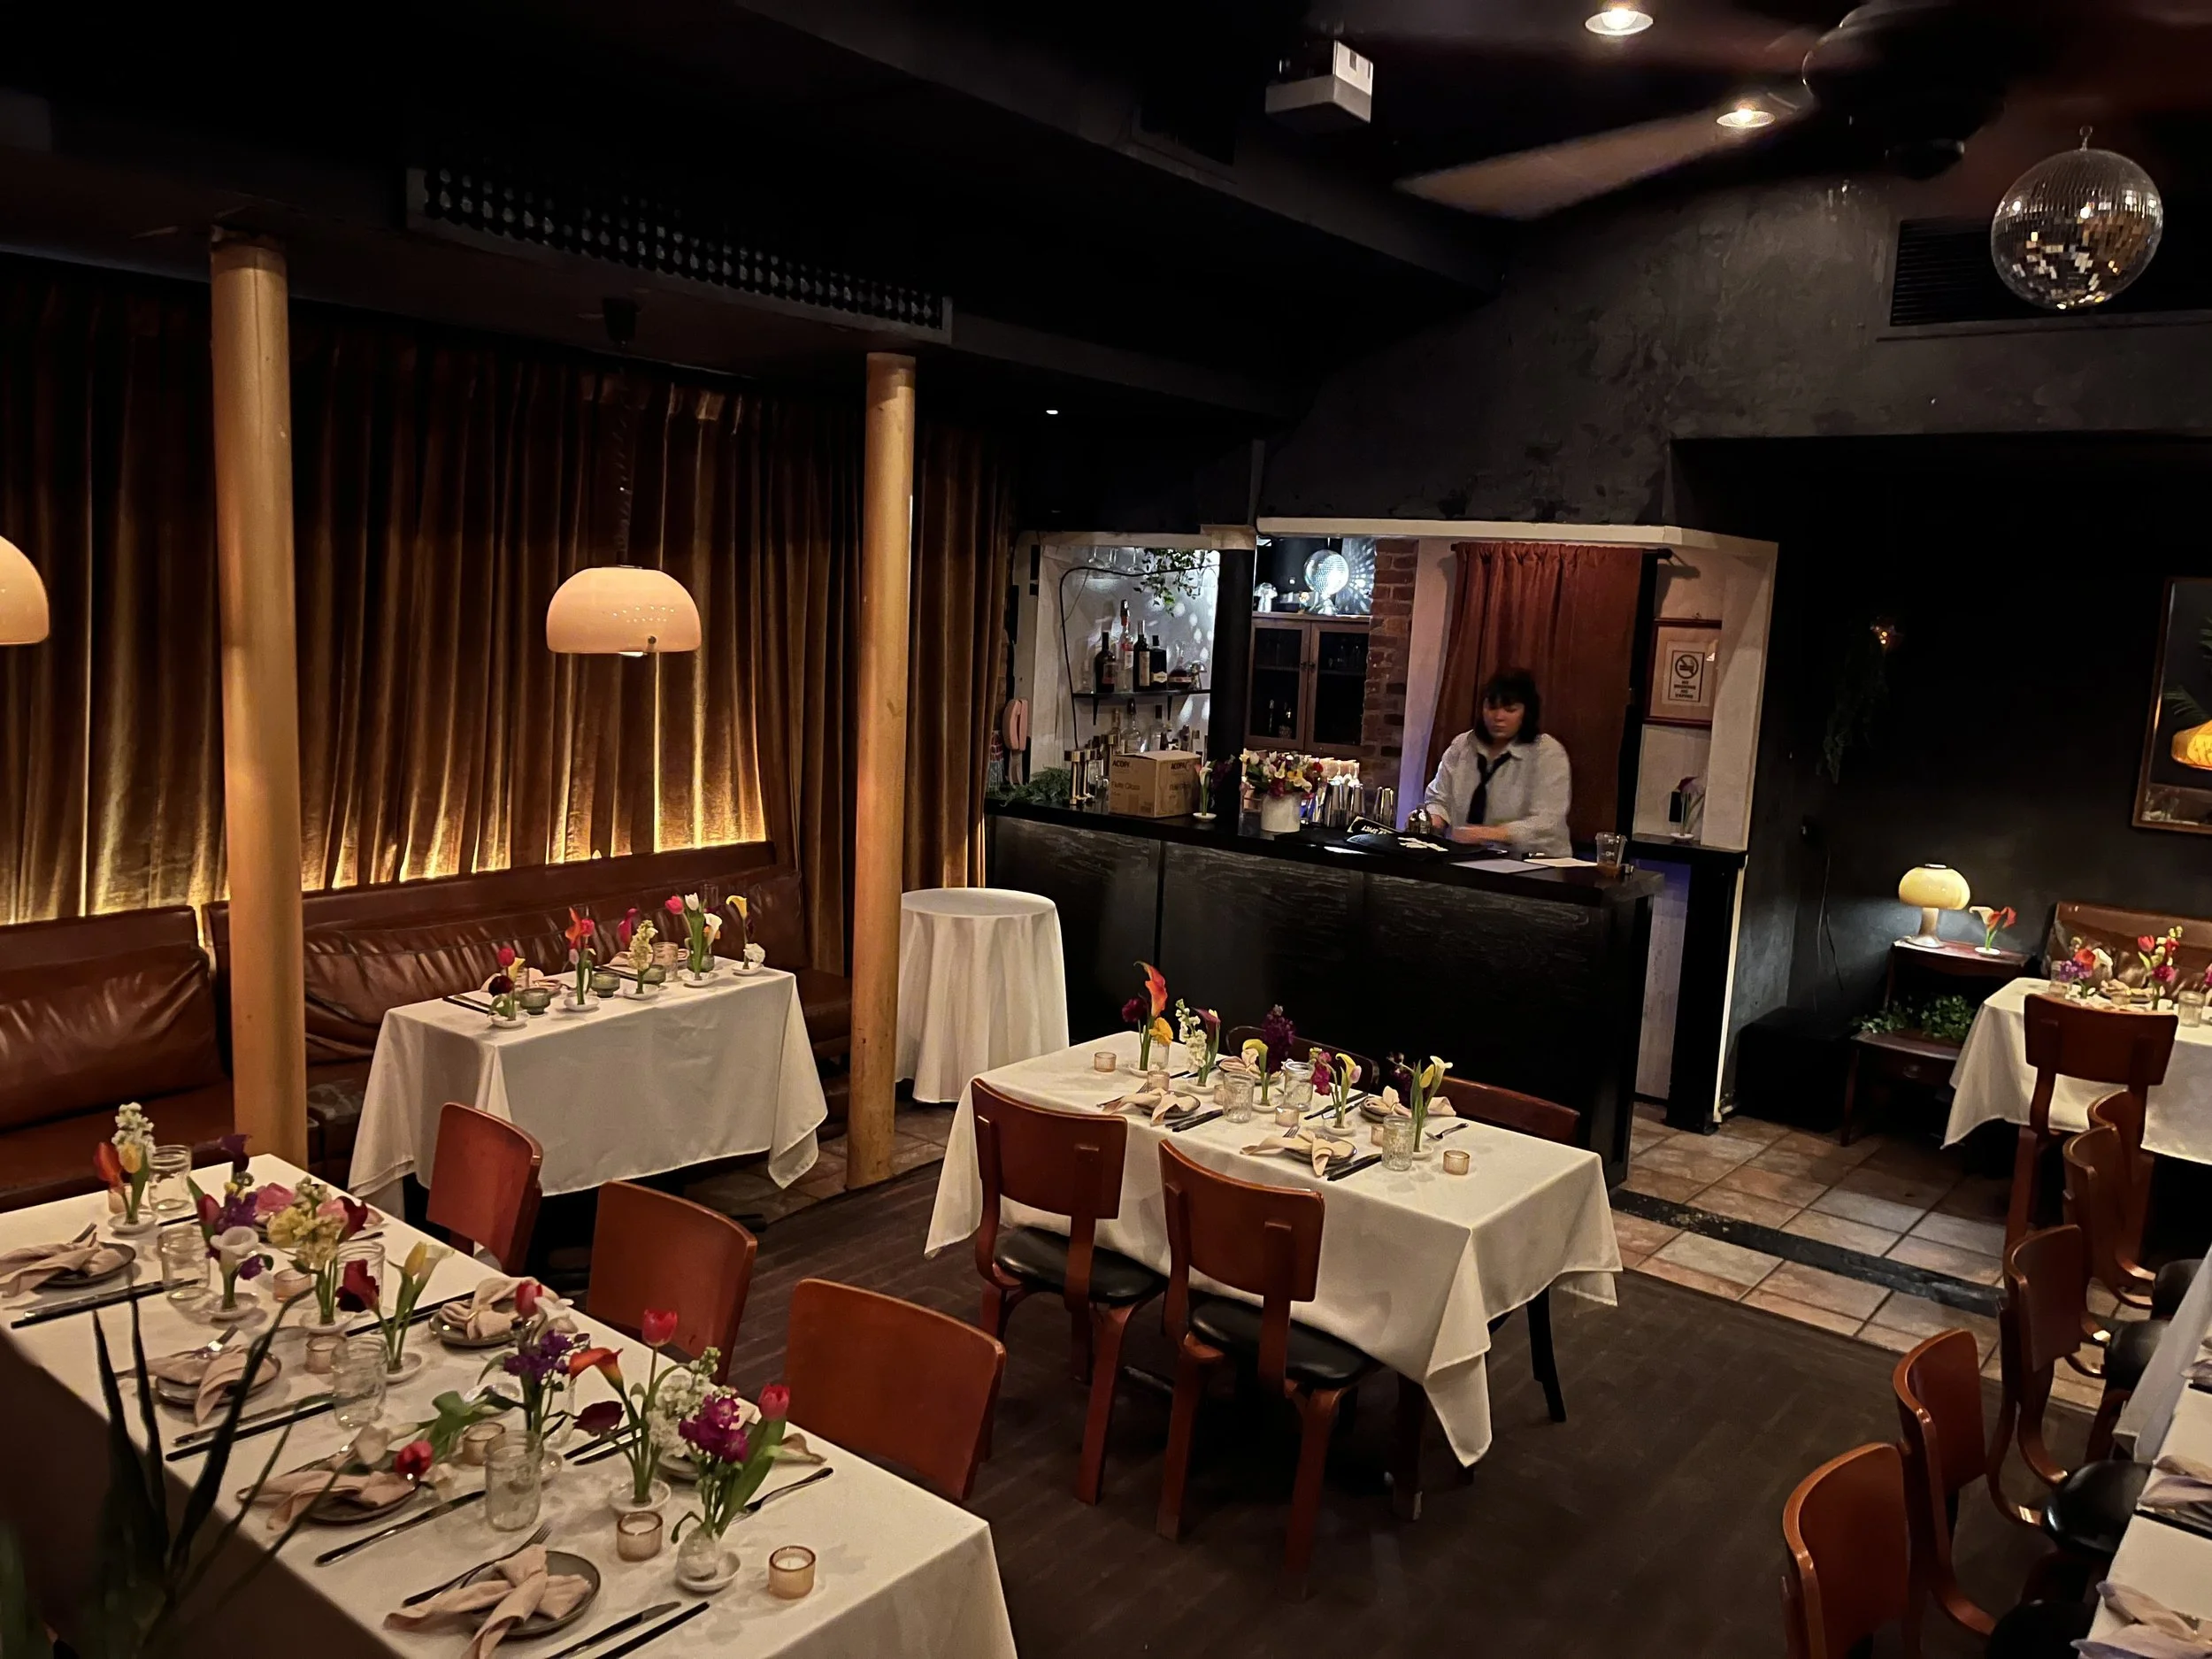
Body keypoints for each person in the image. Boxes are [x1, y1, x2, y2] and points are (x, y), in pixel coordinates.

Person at [1418, 667, 1572, 856]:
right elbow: (1439, 799)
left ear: (1527, 712)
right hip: (1469, 859)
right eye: (1492, 708)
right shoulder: (1463, 745)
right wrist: (1431, 821)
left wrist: (1488, 833)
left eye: (1510, 710)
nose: (1498, 717)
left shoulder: (1547, 752)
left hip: (1535, 863)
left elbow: (1546, 822)